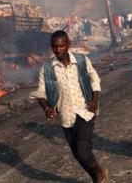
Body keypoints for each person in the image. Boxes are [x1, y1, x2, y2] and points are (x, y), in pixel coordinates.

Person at [30, 30, 108, 183]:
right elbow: (40, 93)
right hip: (66, 117)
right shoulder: (47, 68)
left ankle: (98, 174)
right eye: (54, 47)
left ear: (68, 45)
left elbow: (94, 80)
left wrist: (94, 101)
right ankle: (97, 174)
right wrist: (47, 108)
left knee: (83, 151)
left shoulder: (81, 61)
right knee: (78, 155)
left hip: (85, 112)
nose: (58, 50)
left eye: (61, 46)